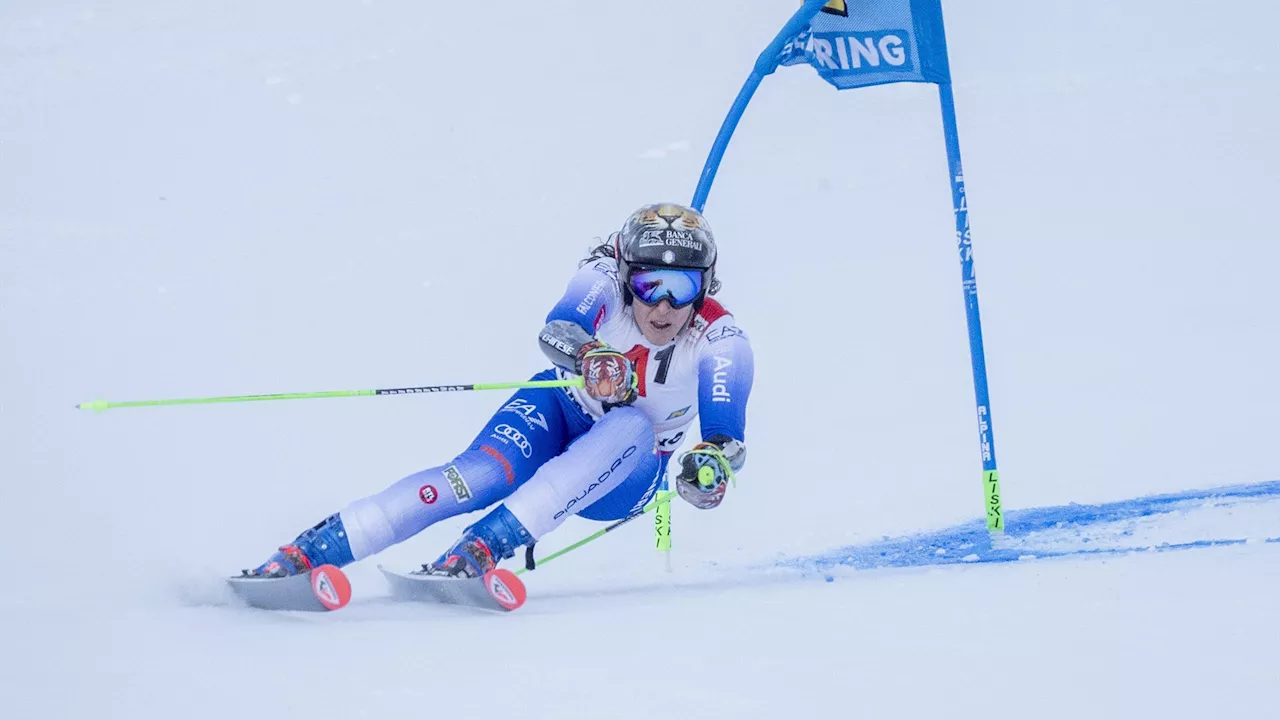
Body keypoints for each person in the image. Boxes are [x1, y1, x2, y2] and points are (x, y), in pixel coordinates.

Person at [249, 203, 755, 579]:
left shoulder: (720, 339)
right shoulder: (603, 278)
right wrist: (587, 355)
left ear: (705, 286)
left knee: (631, 423)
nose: (663, 308)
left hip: (626, 472)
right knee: (478, 475)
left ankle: (484, 546)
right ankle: (312, 551)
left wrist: (709, 464)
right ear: (627, 278)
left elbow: (725, 434)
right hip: (561, 408)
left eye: (682, 288)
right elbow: (559, 328)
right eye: (649, 286)